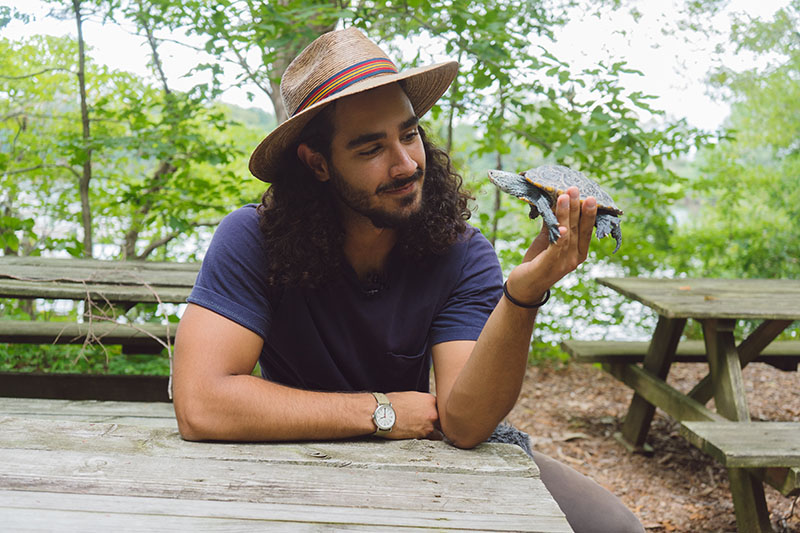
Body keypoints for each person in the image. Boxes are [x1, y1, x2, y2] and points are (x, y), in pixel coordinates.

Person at [173, 27, 644, 533]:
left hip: (430, 460)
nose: (406, 163)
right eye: (370, 148)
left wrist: (523, 295)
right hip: (290, 456)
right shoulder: (253, 238)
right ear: (317, 164)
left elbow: (463, 423)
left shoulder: (460, 251)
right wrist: (384, 412)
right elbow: (201, 403)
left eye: (409, 133)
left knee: (614, 527)